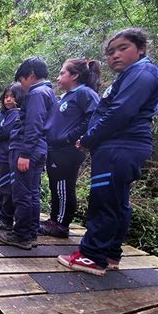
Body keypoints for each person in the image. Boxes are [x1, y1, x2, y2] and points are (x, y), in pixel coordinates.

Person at [58, 28, 158, 276]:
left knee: (103, 201)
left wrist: (89, 138)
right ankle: (111, 253)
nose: (115, 55)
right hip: (120, 146)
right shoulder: (131, 75)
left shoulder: (142, 73)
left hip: (121, 145)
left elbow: (119, 113)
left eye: (123, 48)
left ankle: (92, 256)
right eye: (111, 51)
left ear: (141, 48)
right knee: (117, 200)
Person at [0, 57, 58, 250]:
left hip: (28, 150)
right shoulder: (49, 92)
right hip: (39, 149)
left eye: (22, 80)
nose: (21, 86)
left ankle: (21, 234)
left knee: (22, 194)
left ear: (31, 75)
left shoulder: (37, 93)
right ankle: (30, 232)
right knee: (32, 193)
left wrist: (24, 153)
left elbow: (33, 125)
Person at [40, 58, 101, 238]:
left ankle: (61, 225)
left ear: (74, 75)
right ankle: (54, 219)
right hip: (56, 149)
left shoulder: (85, 93)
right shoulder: (67, 96)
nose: (58, 77)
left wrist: (70, 137)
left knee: (64, 186)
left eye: (62, 73)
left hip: (68, 150)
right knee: (55, 185)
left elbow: (93, 117)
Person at [0, 83, 26, 229]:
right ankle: (0, 212)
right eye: (6, 97)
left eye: (12, 96)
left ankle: (6, 219)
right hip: (1, 154)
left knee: (6, 188)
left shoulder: (16, 113)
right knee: (2, 186)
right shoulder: (3, 114)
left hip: (8, 155)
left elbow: (5, 131)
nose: (8, 100)